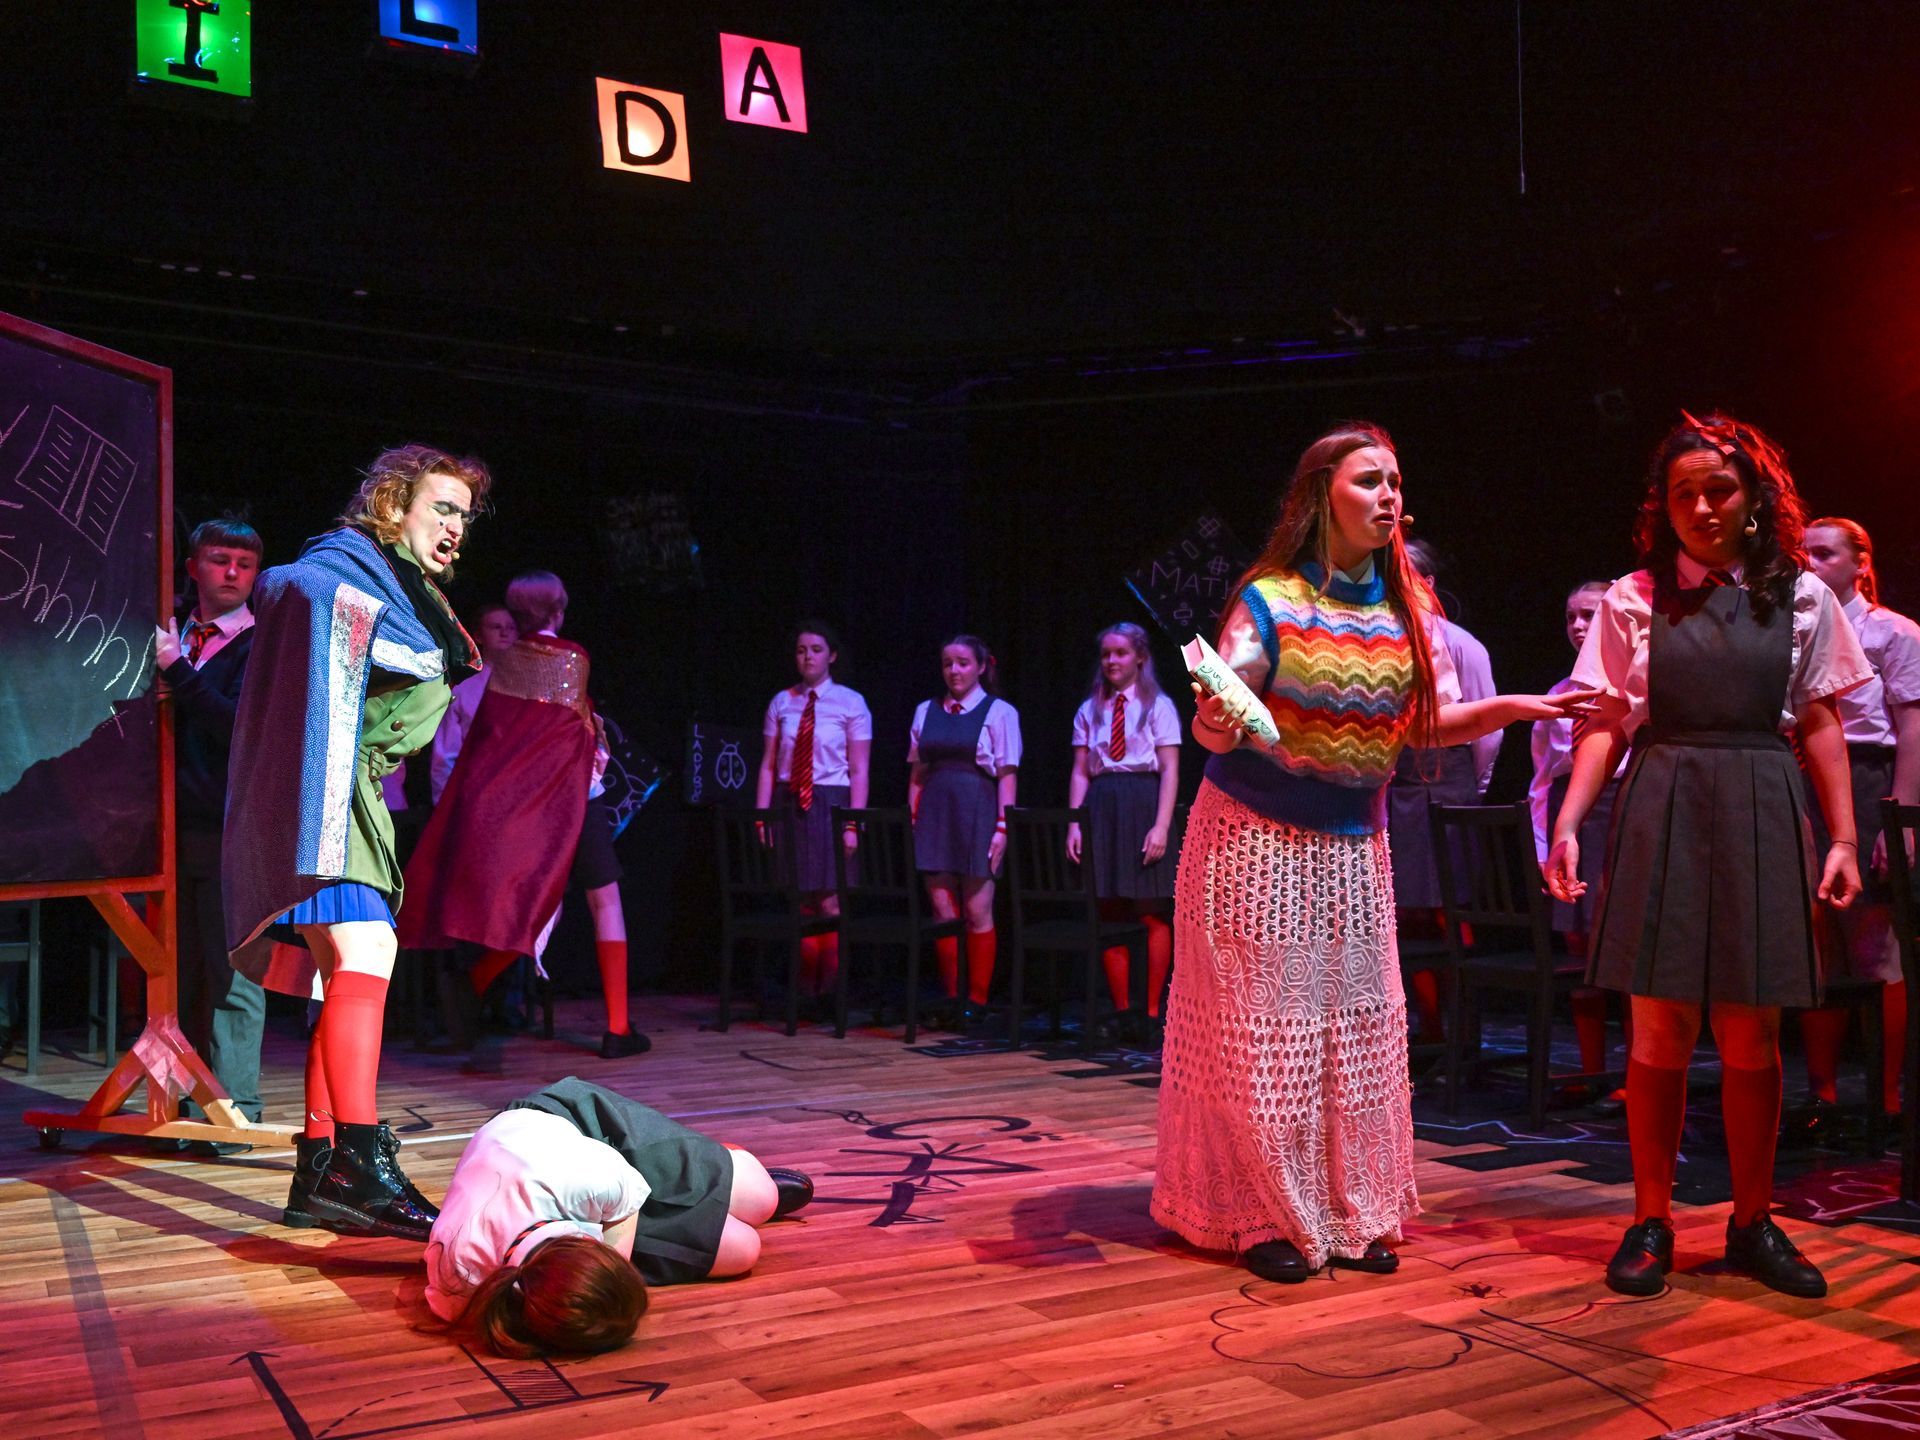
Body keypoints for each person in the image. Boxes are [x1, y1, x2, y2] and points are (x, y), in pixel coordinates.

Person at [1154, 422, 1594, 1283]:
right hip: (1254, 837)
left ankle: (1344, 1210)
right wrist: (1212, 712)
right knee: (1266, 1036)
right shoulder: (1271, 599)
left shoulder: (1404, 612)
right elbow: (1221, 708)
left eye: (1394, 481)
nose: (1388, 495)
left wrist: (1513, 707)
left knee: (1349, 1036)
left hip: (1354, 849)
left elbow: (1417, 726)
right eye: (1368, 480)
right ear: (1321, 496)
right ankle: (1259, 1215)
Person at [1547, 412, 1871, 1300]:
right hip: (1664, 799)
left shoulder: (1803, 596)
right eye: (1682, 492)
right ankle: (1651, 1220)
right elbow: (1606, 721)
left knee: (1750, 1030)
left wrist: (1844, 837)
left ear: (1754, 497)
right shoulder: (1632, 596)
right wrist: (1569, 820)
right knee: (1659, 1027)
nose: (1700, 507)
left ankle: (1752, 1221)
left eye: (1718, 489)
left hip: (1762, 797)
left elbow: (1821, 720)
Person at [224, 444, 489, 1241]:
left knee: (341, 972)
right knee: (367, 954)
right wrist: (343, 607)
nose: (455, 528)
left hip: (356, 799)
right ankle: (361, 1169)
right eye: (442, 508)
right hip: (325, 793)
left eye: (465, 516)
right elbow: (288, 584)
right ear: (393, 505)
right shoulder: (339, 571)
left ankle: (318, 1170)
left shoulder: (403, 593)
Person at [402, 570, 647, 1060]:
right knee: (602, 900)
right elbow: (572, 731)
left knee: (534, 903)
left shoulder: (505, 665)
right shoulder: (572, 657)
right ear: (559, 610)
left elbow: (491, 744)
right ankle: (617, 1027)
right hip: (575, 798)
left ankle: (473, 981)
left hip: (521, 806)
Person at [425, 1077, 814, 1356]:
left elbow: (625, 1199)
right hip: (574, 1193)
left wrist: (615, 1266)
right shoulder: (465, 1282)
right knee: (743, 1250)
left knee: (760, 1199)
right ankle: (710, 1192)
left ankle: (720, 1160)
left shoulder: (584, 1181)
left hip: (575, 1123)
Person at [1791, 517, 1920, 1138]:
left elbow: (1912, 727)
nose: (1810, 564)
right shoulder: (1794, 629)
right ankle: (1822, 1092)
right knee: (1815, 942)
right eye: (1803, 554)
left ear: (1860, 562)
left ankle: (1887, 1097)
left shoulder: (1893, 631)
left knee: (1873, 945)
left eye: (1824, 553)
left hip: (1871, 779)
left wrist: (1902, 815)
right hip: (1804, 777)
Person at [154, 517, 266, 1146]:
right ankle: (175, 1102)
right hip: (166, 829)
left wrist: (179, 673)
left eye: (244, 564)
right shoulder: (171, 631)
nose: (231, 573)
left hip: (229, 828)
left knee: (232, 972)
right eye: (220, 560)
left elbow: (239, 727)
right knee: (174, 975)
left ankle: (234, 1113)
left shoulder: (258, 644)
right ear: (193, 566)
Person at [1386, 537, 1500, 1042]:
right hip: (1402, 787)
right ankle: (1430, 1030)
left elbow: (1487, 729)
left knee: (1452, 911)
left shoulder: (1459, 643)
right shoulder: (1383, 643)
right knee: (1409, 912)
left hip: (1448, 781)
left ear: (1428, 584)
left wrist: (1469, 786)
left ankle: (1465, 1032)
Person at [1528, 580, 1631, 1109]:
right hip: (1574, 817)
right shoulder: (1559, 690)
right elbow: (1543, 780)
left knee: (1628, 949)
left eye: (1590, 614)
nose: (1578, 625)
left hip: (1621, 808)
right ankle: (1593, 1070)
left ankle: (1637, 1072)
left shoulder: (1634, 684)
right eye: (1571, 616)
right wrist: (1544, 844)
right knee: (1580, 949)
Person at [1064, 622, 1180, 1044]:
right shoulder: (1090, 709)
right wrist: (1074, 822)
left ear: (1140, 658)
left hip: (1143, 802)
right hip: (1103, 805)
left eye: (1120, 653)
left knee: (1150, 911)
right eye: (1106, 654)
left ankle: (1150, 1012)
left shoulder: (1158, 706)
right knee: (1109, 909)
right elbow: (1080, 772)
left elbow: (1170, 769)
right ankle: (1121, 1011)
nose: (1111, 661)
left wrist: (1161, 826)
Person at [754, 622, 873, 1012]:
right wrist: (762, 816)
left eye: (817, 650)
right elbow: (769, 765)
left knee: (831, 901)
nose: (808, 657)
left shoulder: (851, 703)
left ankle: (830, 990)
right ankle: (806, 991)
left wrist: (853, 822)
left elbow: (859, 769)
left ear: (832, 656)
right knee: (802, 901)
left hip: (831, 801)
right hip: (791, 802)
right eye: (802, 650)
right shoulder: (781, 702)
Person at [909, 636, 1022, 1029]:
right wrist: (913, 818)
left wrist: (1002, 827)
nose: (954, 670)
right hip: (934, 814)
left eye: (962, 663)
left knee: (976, 911)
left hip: (978, 811)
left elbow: (1007, 774)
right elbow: (918, 772)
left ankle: (977, 1000)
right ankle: (952, 997)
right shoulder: (925, 710)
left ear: (980, 666)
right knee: (943, 912)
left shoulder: (999, 712)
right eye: (947, 663)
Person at [429, 601, 521, 804]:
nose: (505, 633)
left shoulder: (528, 684)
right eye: (496, 627)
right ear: (479, 636)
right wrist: (444, 803)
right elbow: (446, 753)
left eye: (511, 628)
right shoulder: (463, 688)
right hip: (477, 791)